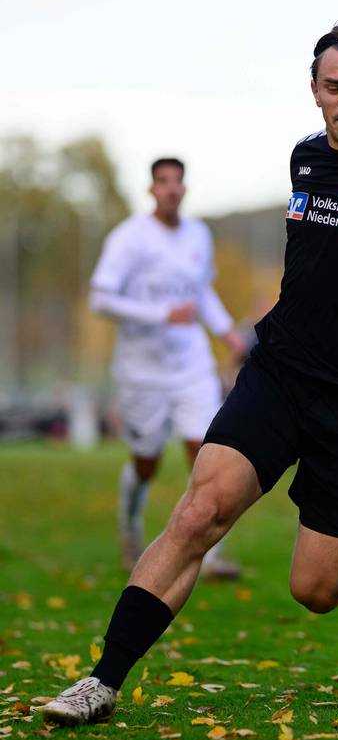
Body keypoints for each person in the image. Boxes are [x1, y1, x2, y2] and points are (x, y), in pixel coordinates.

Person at [41, 20, 338, 726]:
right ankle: (101, 681)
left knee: (315, 590)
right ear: (315, 90)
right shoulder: (306, 157)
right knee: (198, 511)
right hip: (280, 371)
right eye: (333, 87)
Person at [89, 158, 245, 578]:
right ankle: (130, 533)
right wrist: (160, 314)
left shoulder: (198, 234)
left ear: (185, 189)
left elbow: (201, 292)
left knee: (206, 453)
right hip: (143, 370)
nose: (172, 189)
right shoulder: (128, 238)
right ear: (152, 189)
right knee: (146, 462)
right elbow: (100, 298)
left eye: (178, 181)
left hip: (191, 363)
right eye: (163, 182)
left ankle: (208, 556)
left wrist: (227, 332)